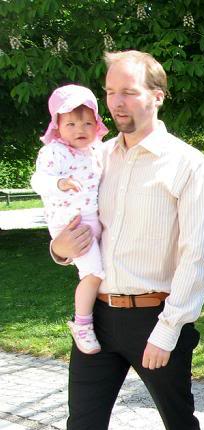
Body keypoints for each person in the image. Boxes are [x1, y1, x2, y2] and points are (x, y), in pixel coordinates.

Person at [11, 50, 204, 430]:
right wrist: (58, 249)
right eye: (110, 92)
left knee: (178, 417)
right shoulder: (94, 159)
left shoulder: (185, 163)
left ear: (157, 95)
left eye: (128, 91)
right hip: (98, 318)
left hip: (156, 317)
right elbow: (68, 223)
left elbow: (196, 257)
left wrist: (167, 330)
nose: (116, 102)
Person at [31, 85, 109, 354]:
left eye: (87, 123)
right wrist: (60, 183)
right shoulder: (54, 152)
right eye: (71, 124)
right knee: (93, 273)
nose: (80, 129)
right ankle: (82, 323)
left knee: (99, 270)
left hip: (92, 218)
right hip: (72, 223)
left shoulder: (96, 150)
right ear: (58, 126)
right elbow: (38, 180)